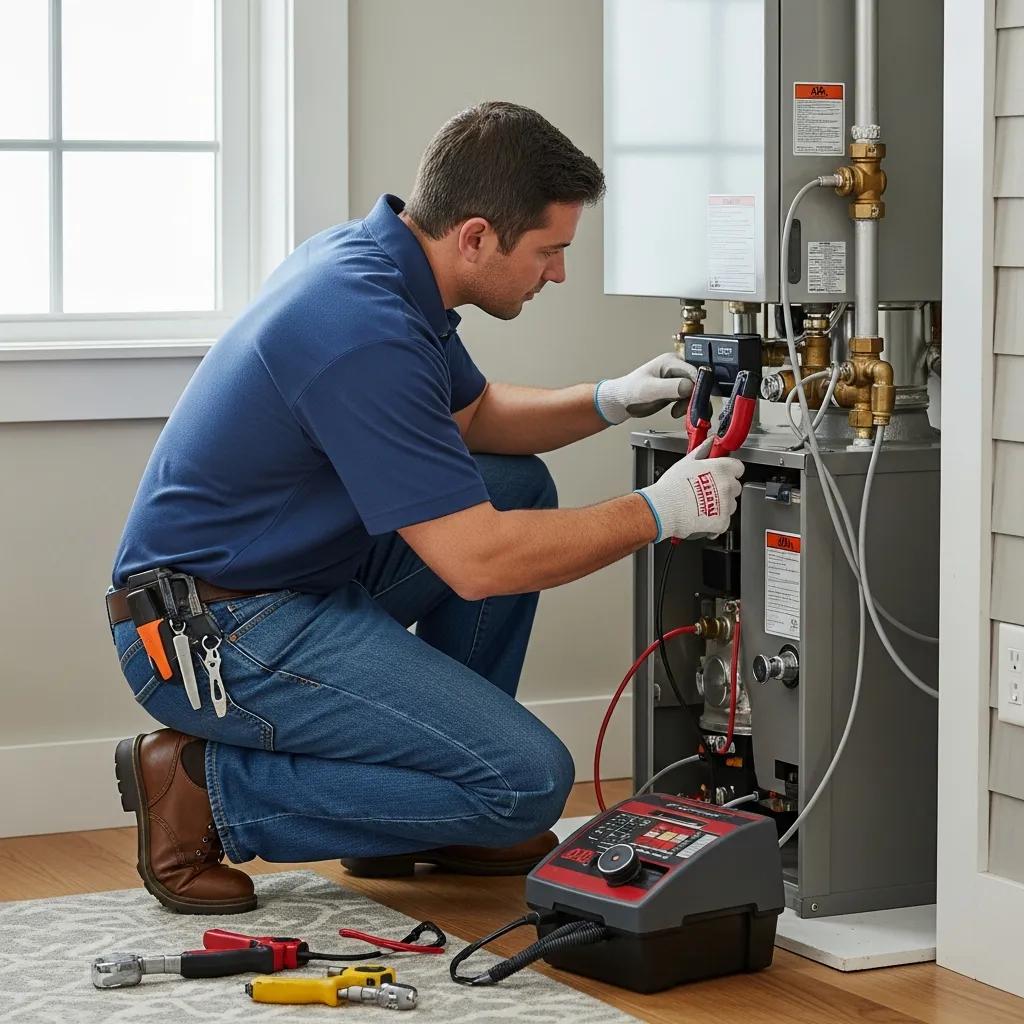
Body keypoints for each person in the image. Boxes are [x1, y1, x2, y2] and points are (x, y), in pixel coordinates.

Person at [106, 101, 743, 914]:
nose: (558, 274)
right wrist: (658, 510)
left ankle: (432, 803)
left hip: (285, 580)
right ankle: (202, 788)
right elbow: (479, 564)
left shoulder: (381, 266)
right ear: (476, 236)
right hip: (210, 633)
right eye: (549, 252)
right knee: (529, 784)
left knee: (515, 484)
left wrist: (611, 400)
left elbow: (473, 418)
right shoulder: (359, 325)